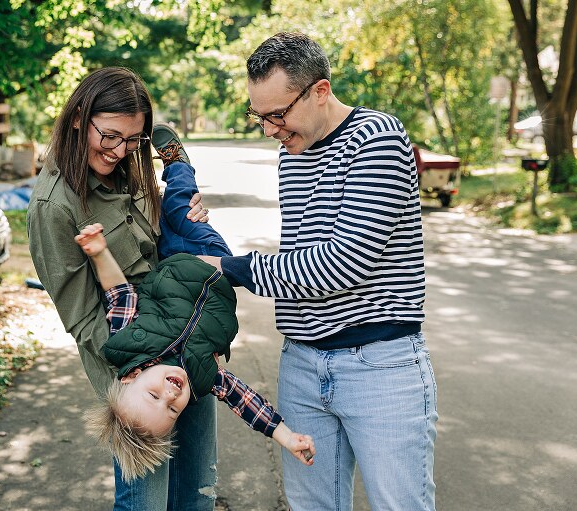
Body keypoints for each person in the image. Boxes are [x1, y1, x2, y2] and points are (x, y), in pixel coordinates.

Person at [198, 33, 439, 511]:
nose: (269, 129)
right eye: (258, 116)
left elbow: (340, 262)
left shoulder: (377, 138)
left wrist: (230, 269)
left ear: (320, 91)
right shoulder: (294, 153)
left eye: (277, 114)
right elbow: (299, 260)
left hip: (380, 367)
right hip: (303, 366)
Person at [27, 67, 215, 510]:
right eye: (109, 136)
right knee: (144, 504)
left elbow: (160, 252)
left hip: (189, 352)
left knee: (198, 495)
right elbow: (83, 319)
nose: (119, 150)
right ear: (78, 117)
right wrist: (146, 362)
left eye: (133, 140)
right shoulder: (54, 206)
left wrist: (188, 218)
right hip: (137, 376)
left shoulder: (131, 170)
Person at [74, 156, 315, 481]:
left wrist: (99, 252)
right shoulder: (205, 377)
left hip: (172, 259)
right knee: (181, 206)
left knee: (165, 209)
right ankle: (179, 173)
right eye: (172, 409)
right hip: (212, 258)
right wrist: (285, 436)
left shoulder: (131, 338)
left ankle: (176, 162)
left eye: (153, 396)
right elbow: (245, 401)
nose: (170, 396)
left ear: (131, 378)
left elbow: (118, 291)